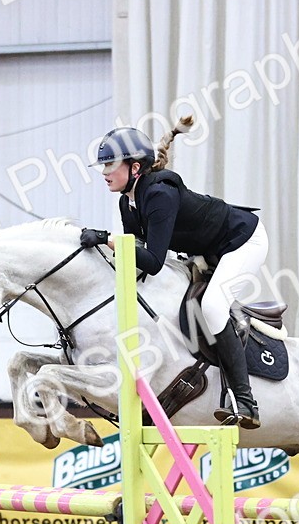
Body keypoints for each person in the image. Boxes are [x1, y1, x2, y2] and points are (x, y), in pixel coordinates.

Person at [89, 117, 267, 429]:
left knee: (212, 306)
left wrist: (107, 239)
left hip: (243, 240)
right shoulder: (126, 203)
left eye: (111, 165)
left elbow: (154, 261)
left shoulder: (160, 193)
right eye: (102, 165)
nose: (104, 173)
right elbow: (138, 261)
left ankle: (245, 401)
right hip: (206, 249)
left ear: (135, 168)